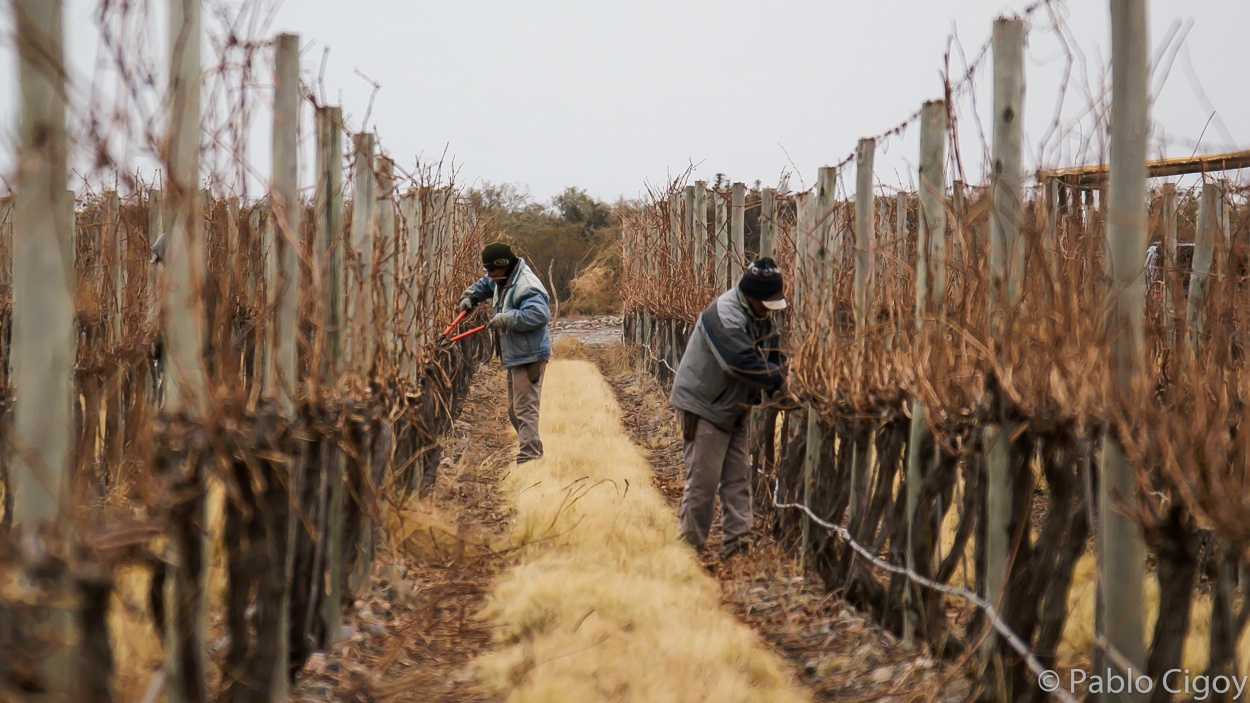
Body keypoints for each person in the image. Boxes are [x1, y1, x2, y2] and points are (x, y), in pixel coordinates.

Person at [670, 257, 787, 560]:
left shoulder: (761, 316)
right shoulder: (724, 314)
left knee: (737, 479)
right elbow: (738, 363)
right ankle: (688, 550)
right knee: (703, 485)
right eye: (767, 302)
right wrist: (782, 381)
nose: (769, 309)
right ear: (752, 295)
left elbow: (773, 356)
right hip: (704, 406)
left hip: (736, 407)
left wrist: (786, 375)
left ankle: (738, 548)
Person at [460, 242, 553, 464]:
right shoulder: (502, 277)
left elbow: (540, 315)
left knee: (525, 409)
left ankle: (529, 459)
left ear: (505, 265)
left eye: (493, 270)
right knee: (514, 411)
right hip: (516, 354)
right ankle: (534, 453)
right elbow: (486, 284)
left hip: (530, 356)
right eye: (488, 271)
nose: (490, 275)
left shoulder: (526, 286)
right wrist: (471, 296)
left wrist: (507, 318)